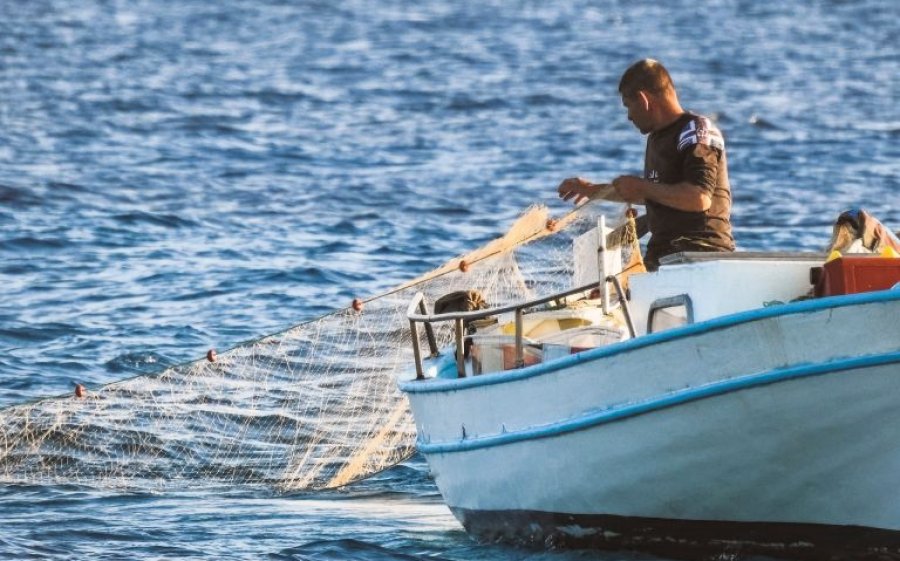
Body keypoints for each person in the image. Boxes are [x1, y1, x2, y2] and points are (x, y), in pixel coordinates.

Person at [558, 59, 735, 270]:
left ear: (643, 100)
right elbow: (659, 195)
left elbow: (699, 198)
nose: (628, 116)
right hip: (662, 258)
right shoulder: (656, 138)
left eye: (628, 106)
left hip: (701, 256)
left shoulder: (695, 130)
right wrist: (591, 190)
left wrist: (641, 186)